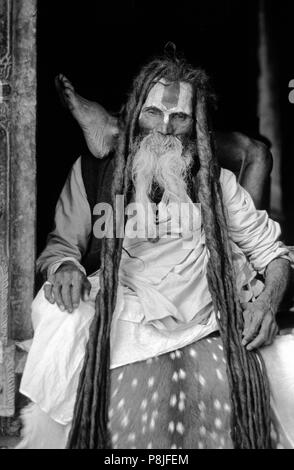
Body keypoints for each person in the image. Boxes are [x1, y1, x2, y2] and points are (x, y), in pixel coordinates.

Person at [17, 54, 293, 450]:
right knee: (56, 315)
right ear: (133, 113)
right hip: (121, 304)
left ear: (196, 124)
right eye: (152, 113)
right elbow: (61, 247)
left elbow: (274, 254)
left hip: (201, 308)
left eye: (179, 117)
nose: (164, 128)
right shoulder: (92, 173)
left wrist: (266, 303)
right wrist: (64, 267)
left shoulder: (217, 181)